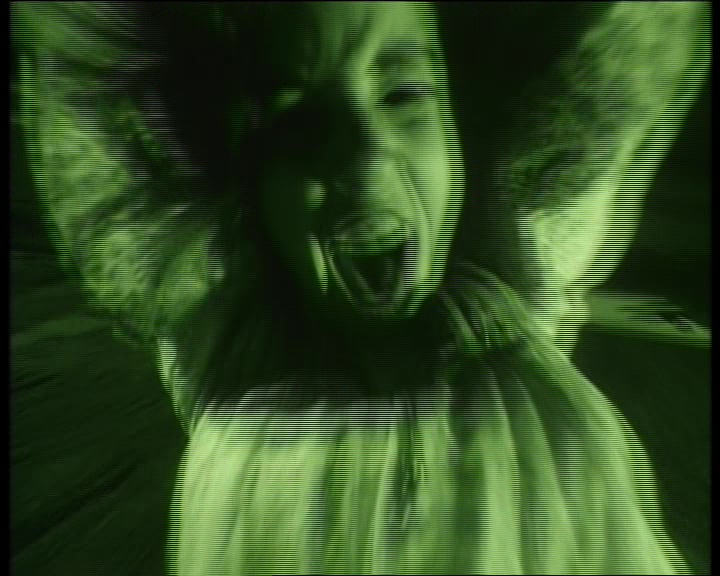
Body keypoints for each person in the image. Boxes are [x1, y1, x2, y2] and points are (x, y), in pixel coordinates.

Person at [13, 2, 709, 574]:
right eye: (301, 121)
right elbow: (80, 65)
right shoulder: (222, 329)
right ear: (246, 181)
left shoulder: (510, 277)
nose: (367, 153)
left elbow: (622, 61)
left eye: (404, 94)